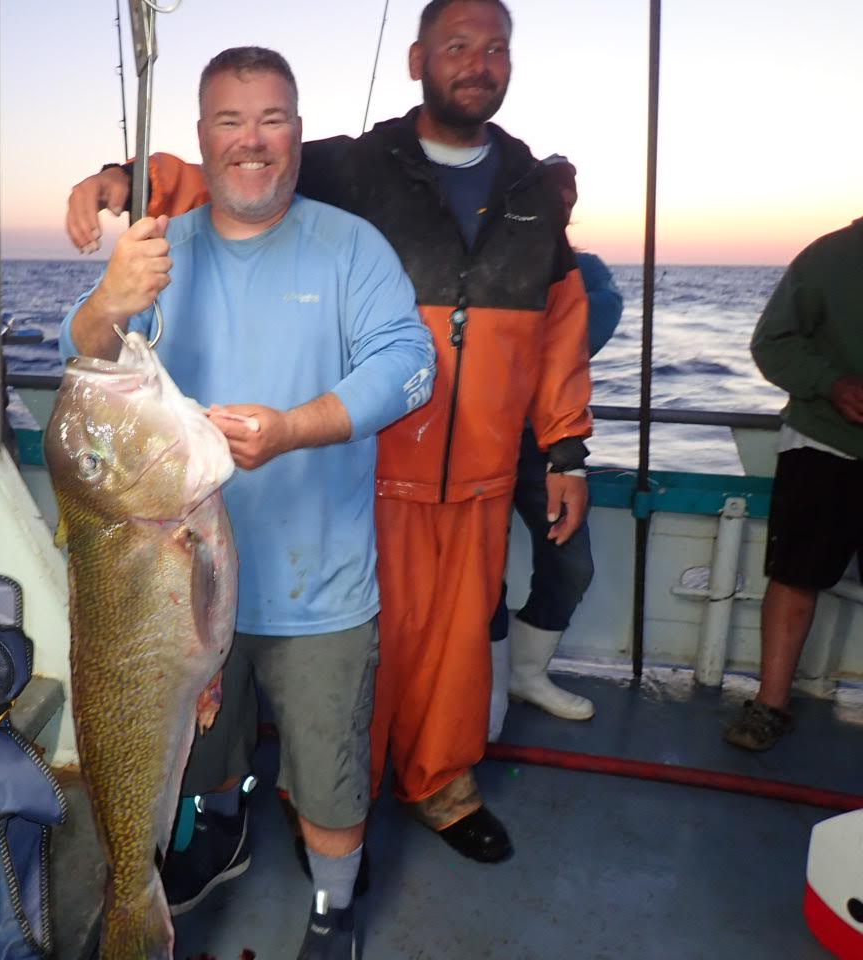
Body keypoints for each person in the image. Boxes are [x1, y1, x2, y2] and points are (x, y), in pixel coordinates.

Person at [65, 0, 592, 867]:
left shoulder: (535, 189)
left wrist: (567, 449)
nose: (478, 62)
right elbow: (229, 174)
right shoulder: (351, 163)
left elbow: (562, 323)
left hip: (482, 466)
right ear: (419, 57)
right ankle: (321, 805)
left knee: (458, 649)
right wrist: (124, 178)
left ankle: (442, 787)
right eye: (458, 44)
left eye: (496, 47)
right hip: (376, 459)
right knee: (357, 670)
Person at [61, 48, 434, 959]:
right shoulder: (163, 252)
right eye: (230, 122)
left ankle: (331, 911)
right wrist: (107, 305)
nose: (252, 141)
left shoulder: (351, 248)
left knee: (331, 778)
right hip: (185, 587)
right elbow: (90, 366)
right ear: (203, 138)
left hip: (320, 586)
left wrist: (298, 427)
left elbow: (409, 365)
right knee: (200, 755)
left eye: (272, 119)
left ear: (297, 135)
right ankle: (216, 840)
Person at [487, 167, 624, 739]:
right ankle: (484, 683)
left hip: (548, 444)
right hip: (476, 437)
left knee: (572, 563)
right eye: (550, 202)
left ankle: (526, 672)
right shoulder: (486, 265)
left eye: (568, 205)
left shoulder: (584, 272)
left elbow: (589, 328)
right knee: (479, 570)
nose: (560, 213)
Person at [724, 218, 863, 751]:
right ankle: (770, 705)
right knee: (795, 576)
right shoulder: (829, 257)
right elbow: (772, 343)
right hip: (824, 443)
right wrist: (831, 384)